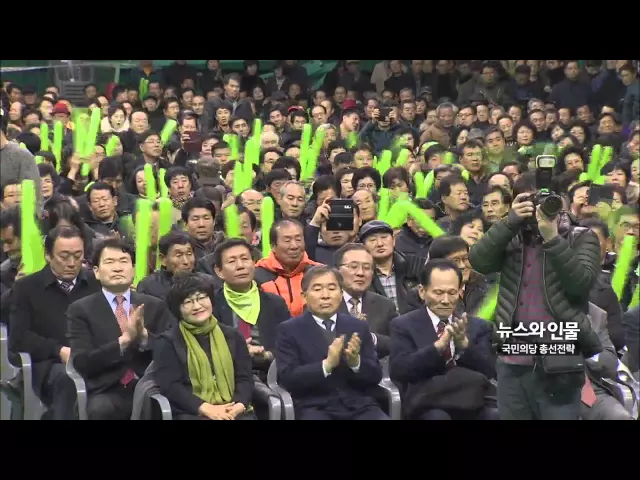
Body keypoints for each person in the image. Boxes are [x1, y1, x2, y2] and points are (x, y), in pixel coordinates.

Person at [469, 189, 603, 420]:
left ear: (561, 209)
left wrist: (553, 238)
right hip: (512, 357)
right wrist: (509, 221)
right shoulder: (513, 236)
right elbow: (479, 261)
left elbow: (580, 284)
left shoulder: (582, 237)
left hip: (560, 357)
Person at [66, 237, 174, 420]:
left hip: (150, 387)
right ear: (96, 271)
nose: (117, 268)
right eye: (109, 262)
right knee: (100, 409)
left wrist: (144, 336)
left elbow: (171, 353)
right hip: (107, 389)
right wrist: (124, 341)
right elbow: (82, 362)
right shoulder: (80, 310)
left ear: (133, 268)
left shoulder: (155, 306)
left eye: (124, 261)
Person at [9, 226, 101, 419]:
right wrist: (58, 350)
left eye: (78, 256)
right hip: (50, 365)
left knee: (128, 381)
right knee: (69, 381)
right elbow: (19, 338)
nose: (72, 263)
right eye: (64, 256)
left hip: (93, 359)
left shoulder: (96, 283)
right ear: (48, 255)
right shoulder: (26, 288)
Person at [275, 266, 388, 420]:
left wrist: (356, 363)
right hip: (315, 408)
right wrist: (326, 365)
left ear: (341, 294)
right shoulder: (289, 330)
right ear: (304, 296)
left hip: (360, 406)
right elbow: (288, 379)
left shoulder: (357, 326)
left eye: (332, 288)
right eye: (317, 289)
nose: (325, 296)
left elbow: (375, 376)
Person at [389, 259, 497, 420]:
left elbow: (489, 370)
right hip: (428, 404)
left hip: (472, 402)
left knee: (495, 416)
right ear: (422, 291)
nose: (445, 300)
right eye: (438, 293)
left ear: (460, 291)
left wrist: (464, 345)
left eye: (452, 293)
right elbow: (399, 371)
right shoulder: (403, 325)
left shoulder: (478, 326)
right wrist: (437, 348)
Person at [155, 272, 257, 420]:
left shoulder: (233, 336)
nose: (197, 306)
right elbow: (171, 386)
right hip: (192, 412)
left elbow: (245, 378)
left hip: (233, 409)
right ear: (178, 310)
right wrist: (206, 408)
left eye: (201, 298)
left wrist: (238, 406)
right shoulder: (167, 342)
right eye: (188, 302)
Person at [211, 238, 290, 380]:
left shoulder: (275, 303)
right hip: (228, 378)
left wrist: (267, 355)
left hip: (271, 377)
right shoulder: (210, 305)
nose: (240, 266)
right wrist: (236, 352)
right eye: (232, 261)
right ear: (219, 271)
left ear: (254, 263)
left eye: (245, 259)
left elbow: (290, 347)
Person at [334, 243, 397, 358]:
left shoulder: (385, 305)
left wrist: (371, 338)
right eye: (353, 267)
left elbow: (398, 343)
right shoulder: (325, 303)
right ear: (337, 270)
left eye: (367, 268)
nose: (360, 273)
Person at [254, 219, 322, 317]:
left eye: (298, 239)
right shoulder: (256, 276)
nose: (294, 246)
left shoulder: (320, 273)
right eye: (287, 240)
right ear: (273, 245)